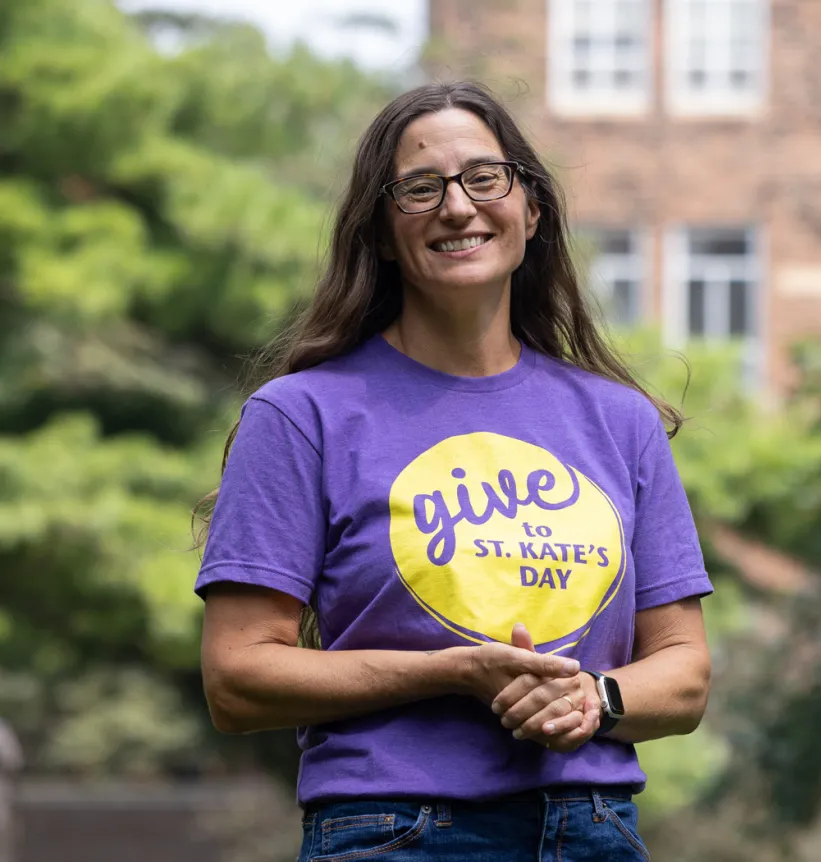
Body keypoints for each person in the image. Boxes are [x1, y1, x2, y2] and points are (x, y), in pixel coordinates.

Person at [194, 80, 712, 861]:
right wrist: (454, 672)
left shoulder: (619, 420)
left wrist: (594, 697)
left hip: (594, 830)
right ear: (378, 231)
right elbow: (237, 679)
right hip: (396, 832)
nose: (458, 207)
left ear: (530, 210)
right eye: (420, 188)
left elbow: (684, 672)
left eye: (483, 178)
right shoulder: (304, 416)